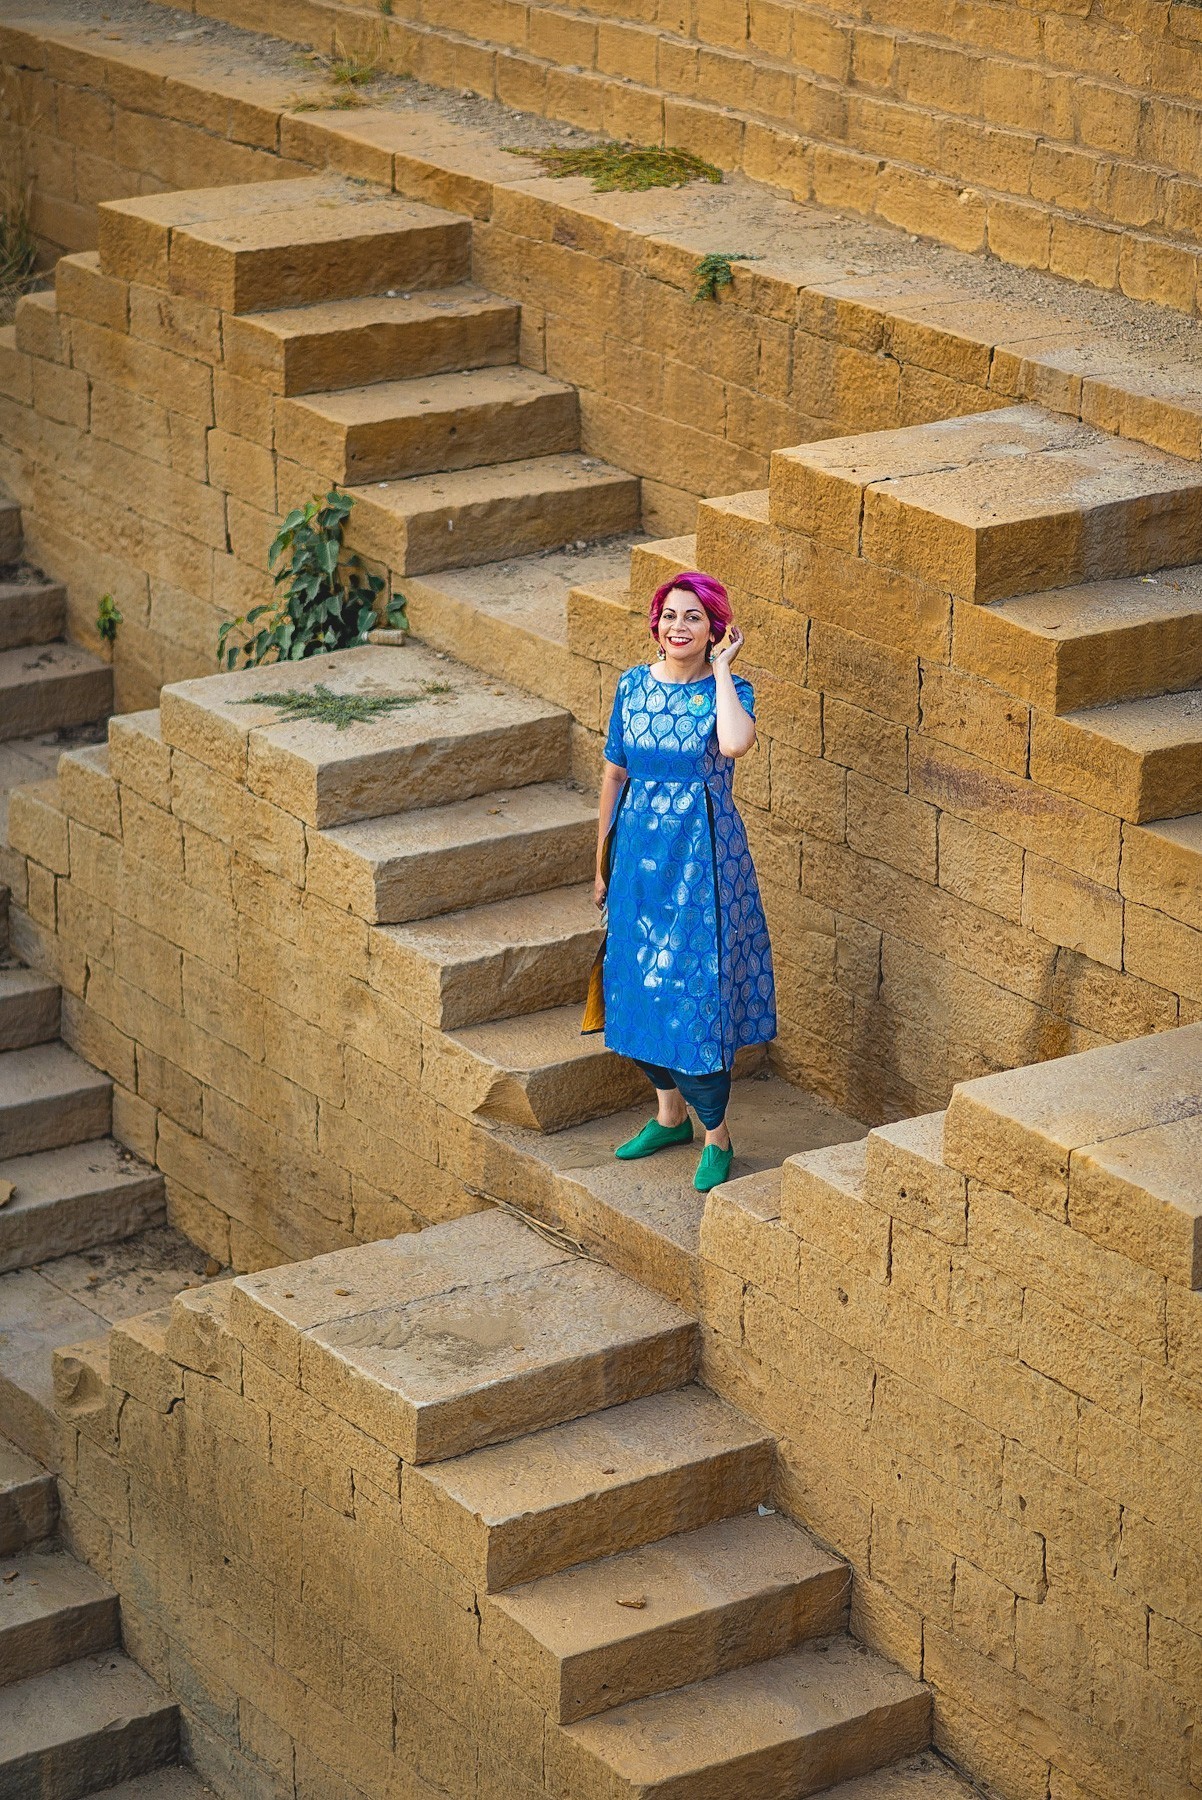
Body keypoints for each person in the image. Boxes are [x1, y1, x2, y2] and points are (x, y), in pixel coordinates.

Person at [591, 570, 776, 1193]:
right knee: (633, 986)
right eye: (670, 614)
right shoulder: (631, 687)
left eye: (693, 616)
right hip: (639, 860)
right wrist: (601, 863)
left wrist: (722, 671)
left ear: (715, 628)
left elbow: (734, 743)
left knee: (694, 993)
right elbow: (615, 775)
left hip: (704, 867)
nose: (678, 626)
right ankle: (670, 1116)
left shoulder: (732, 691)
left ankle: (718, 1136)